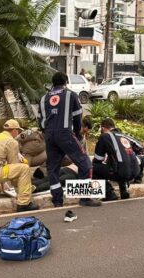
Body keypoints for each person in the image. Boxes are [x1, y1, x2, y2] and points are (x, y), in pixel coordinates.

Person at [38, 71, 101, 207]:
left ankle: (57, 200)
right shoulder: (70, 95)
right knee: (85, 164)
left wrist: (49, 134)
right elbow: (78, 117)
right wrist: (77, 135)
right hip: (65, 134)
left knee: (52, 168)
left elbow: (41, 122)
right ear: (66, 82)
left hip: (49, 136)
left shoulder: (43, 99)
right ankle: (85, 198)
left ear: (53, 83)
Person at [93, 118, 140, 200]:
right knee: (119, 164)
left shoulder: (105, 136)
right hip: (136, 171)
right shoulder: (123, 136)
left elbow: (98, 159)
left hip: (122, 172)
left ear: (103, 128)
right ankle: (124, 191)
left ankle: (109, 193)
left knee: (92, 167)